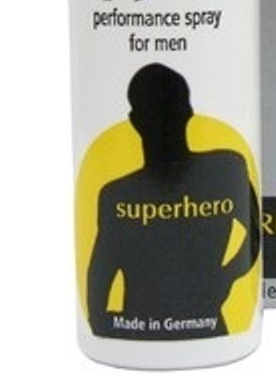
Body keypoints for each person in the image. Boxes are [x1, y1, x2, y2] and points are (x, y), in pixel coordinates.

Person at [87, 64, 260, 338]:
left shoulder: (226, 169)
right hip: (144, 325)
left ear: (134, 120)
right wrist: (224, 277)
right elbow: (100, 275)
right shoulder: (116, 195)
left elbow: (254, 229)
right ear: (188, 110)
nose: (163, 121)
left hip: (179, 324)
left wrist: (225, 277)